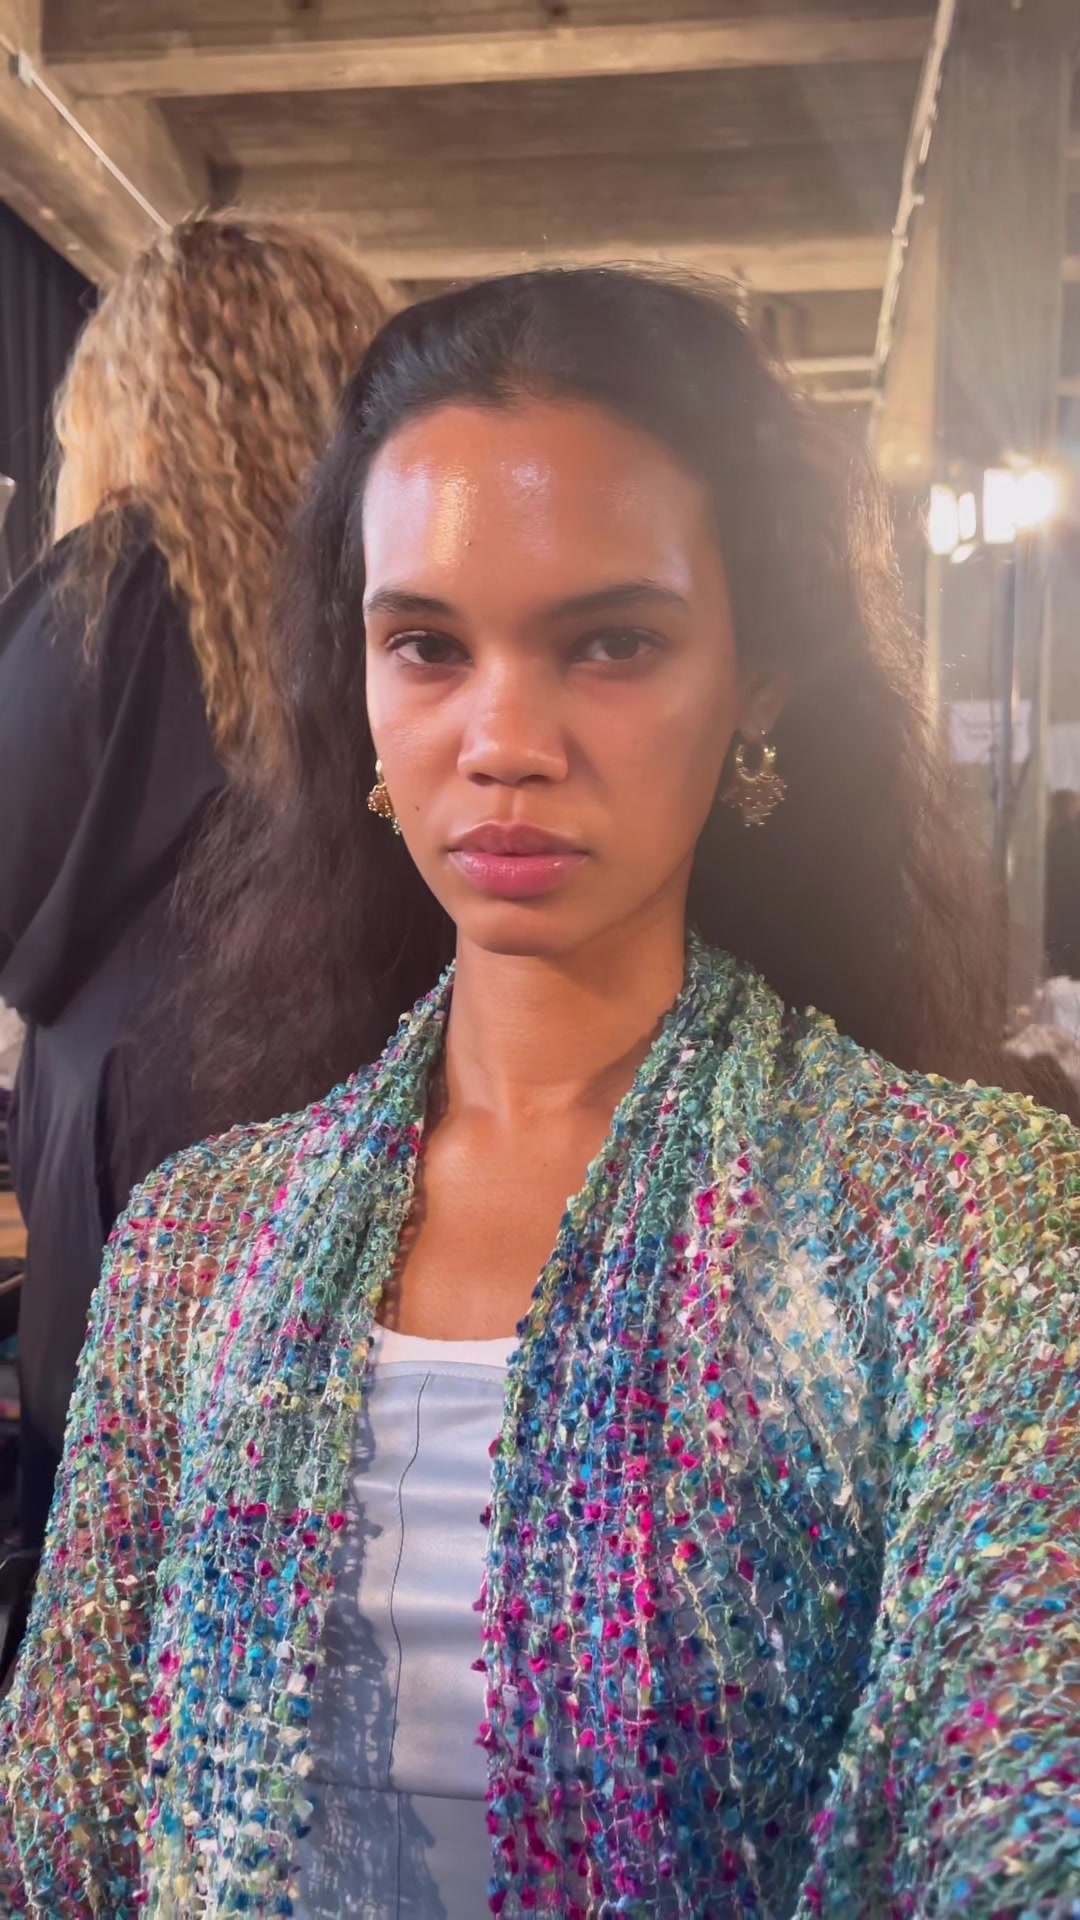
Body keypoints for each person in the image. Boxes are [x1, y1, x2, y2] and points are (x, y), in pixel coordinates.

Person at [2, 268, 1078, 1917]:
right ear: (357, 678)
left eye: (612, 643)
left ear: (761, 677)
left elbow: (1017, 1812)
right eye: (427, 645)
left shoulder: (955, 1231)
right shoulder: (197, 1250)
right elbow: (59, 1836)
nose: (503, 739)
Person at [0, 214, 390, 1639]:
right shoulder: (389, 599)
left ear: (132, 404)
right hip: (357, 1113)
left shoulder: (109, 588)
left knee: (128, 1598)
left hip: (140, 1148)